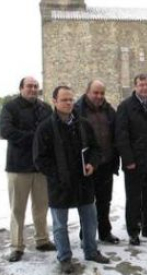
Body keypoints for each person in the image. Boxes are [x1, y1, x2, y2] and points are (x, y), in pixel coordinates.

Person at [33, 86, 110, 274]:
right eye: (64, 99)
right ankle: (65, 258)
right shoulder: (45, 128)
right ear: (54, 101)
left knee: (90, 221)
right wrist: (57, 174)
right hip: (59, 185)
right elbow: (39, 159)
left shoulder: (83, 124)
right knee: (60, 226)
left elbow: (96, 149)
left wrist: (92, 163)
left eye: (70, 99)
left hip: (84, 183)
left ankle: (91, 251)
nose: (68, 103)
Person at [0, 76, 55, 262]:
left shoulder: (46, 108)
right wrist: (36, 138)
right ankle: (16, 246)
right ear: (21, 88)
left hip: (41, 167)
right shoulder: (10, 107)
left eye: (36, 86)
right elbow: (6, 131)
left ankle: (42, 240)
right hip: (18, 167)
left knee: (41, 207)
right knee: (17, 209)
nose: (33, 89)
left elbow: (52, 132)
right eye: (29, 86)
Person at [116, 74, 147, 245]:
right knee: (134, 198)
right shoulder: (125, 107)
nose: (145, 88)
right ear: (135, 86)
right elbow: (121, 136)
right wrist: (128, 160)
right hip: (134, 163)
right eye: (141, 85)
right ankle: (133, 231)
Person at [74, 80, 120, 244]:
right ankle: (86, 235)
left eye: (102, 93)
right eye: (96, 92)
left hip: (106, 163)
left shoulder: (109, 110)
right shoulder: (77, 110)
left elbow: (116, 132)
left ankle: (104, 232)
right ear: (87, 92)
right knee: (86, 202)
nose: (99, 96)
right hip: (87, 165)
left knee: (104, 201)